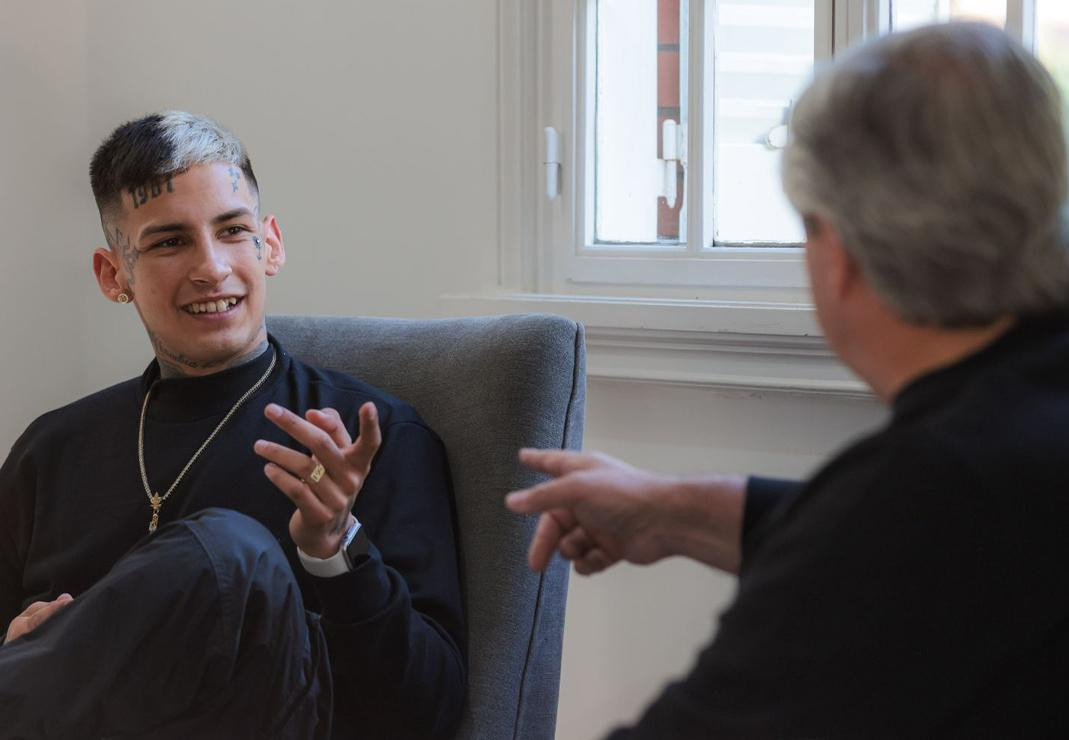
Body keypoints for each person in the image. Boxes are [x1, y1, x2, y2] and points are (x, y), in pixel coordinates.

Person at [507, 22, 1069, 738]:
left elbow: (892, 543)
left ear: (838, 252)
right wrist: (670, 508)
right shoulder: (1017, 427)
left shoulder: (933, 493)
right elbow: (923, 553)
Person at [0, 112, 466, 739]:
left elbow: (428, 714)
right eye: (169, 242)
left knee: (233, 554)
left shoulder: (368, 438)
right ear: (116, 276)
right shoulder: (50, 452)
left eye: (232, 230)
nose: (212, 267)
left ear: (269, 245)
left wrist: (335, 548)